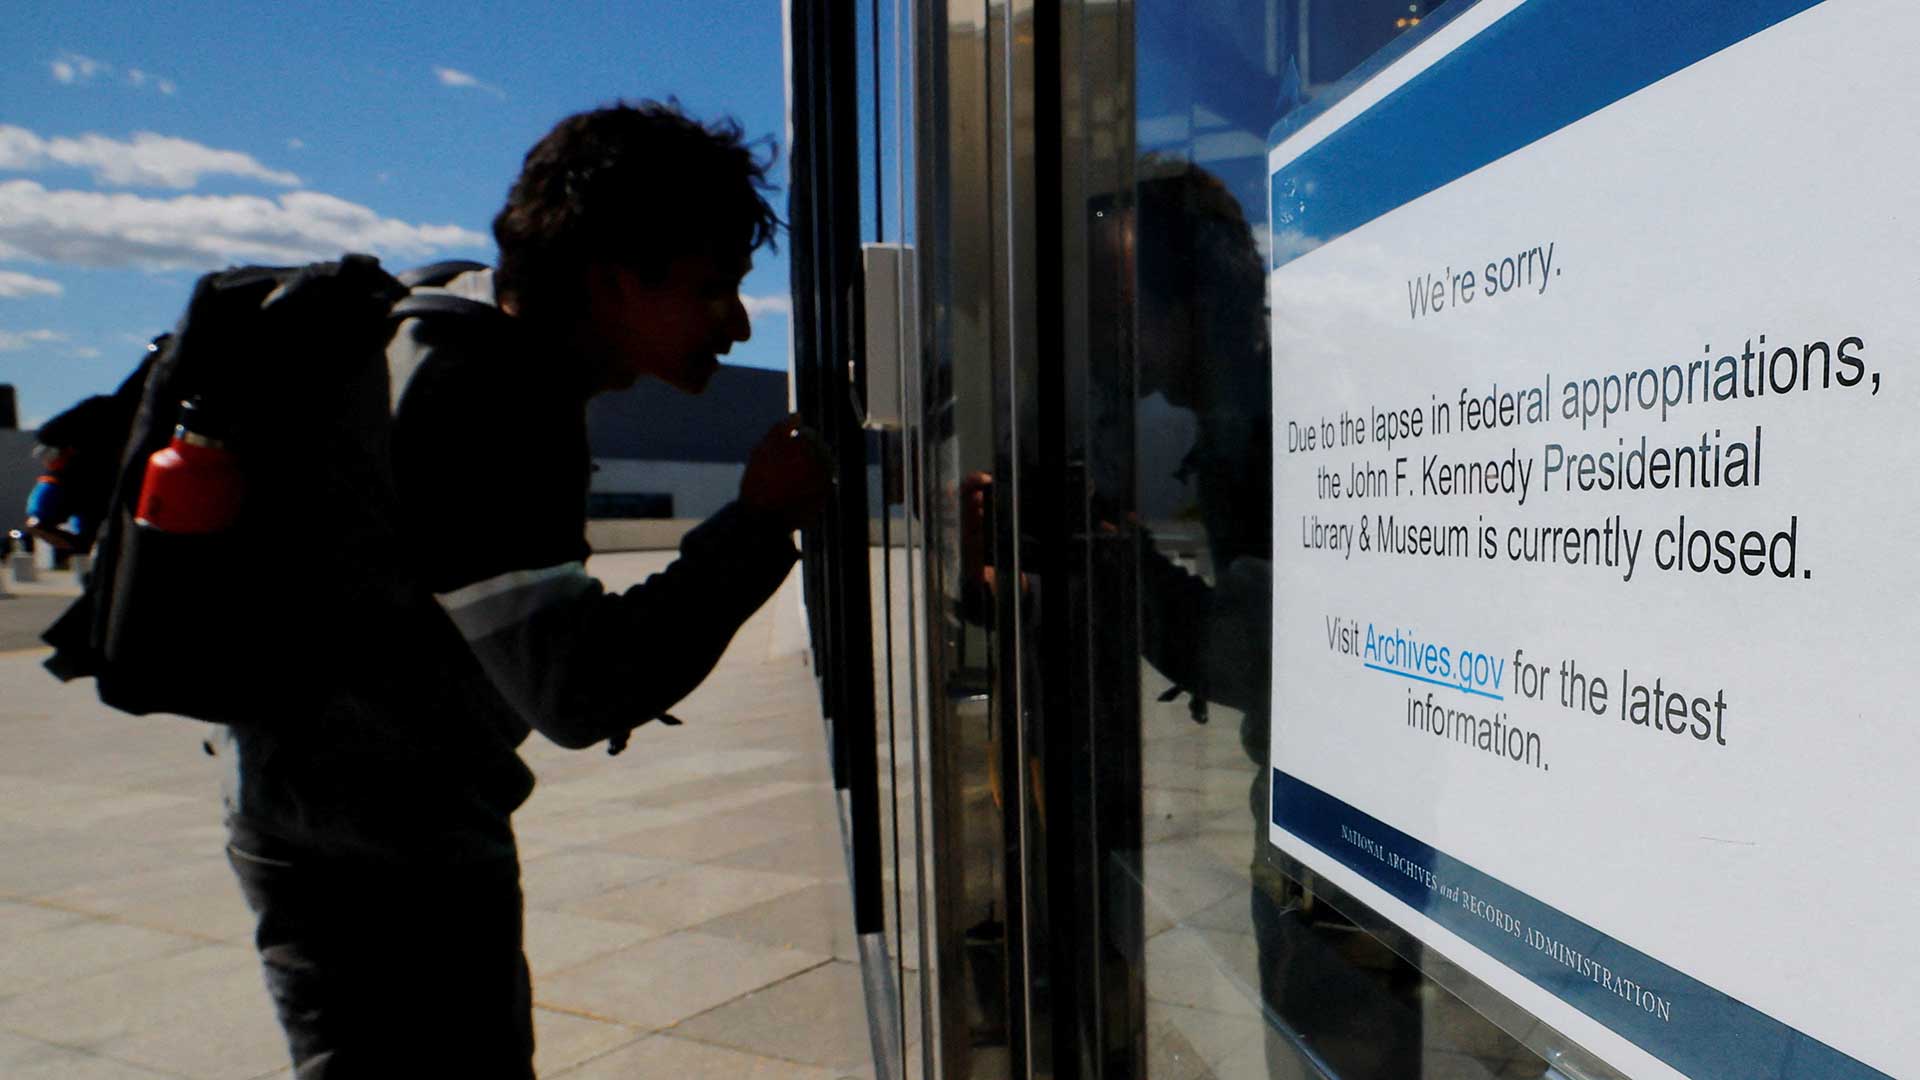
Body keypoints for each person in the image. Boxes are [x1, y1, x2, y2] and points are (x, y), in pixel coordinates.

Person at [220, 101, 832, 1078]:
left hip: (305, 807)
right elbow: (578, 693)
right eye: (714, 287)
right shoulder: (487, 394)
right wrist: (758, 523)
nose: (738, 323)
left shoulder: (446, 317)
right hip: (391, 851)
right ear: (614, 279)